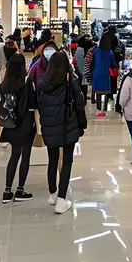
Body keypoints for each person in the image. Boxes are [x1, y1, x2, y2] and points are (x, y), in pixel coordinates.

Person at [35, 51, 87, 214]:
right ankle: (62, 199)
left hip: (49, 127)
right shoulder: (70, 82)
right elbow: (79, 104)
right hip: (68, 126)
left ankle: (52, 194)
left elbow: (39, 106)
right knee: (67, 161)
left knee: (52, 160)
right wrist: (82, 125)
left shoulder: (42, 84)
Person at [0, 52, 36, 204]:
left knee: (14, 156)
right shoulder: (27, 85)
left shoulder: (4, 86)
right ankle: (20, 190)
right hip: (26, 126)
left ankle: (7, 191)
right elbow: (33, 105)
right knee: (25, 157)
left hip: (11, 126)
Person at [90, 34, 118, 116]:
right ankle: (104, 108)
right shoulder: (109, 52)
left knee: (98, 93)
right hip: (105, 74)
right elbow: (114, 64)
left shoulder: (96, 51)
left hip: (96, 73)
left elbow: (92, 62)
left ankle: (98, 110)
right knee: (106, 92)